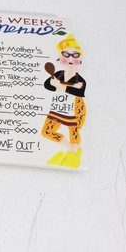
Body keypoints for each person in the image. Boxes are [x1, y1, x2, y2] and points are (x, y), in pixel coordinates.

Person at [41, 34, 86, 168]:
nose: (70, 59)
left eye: (75, 55)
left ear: (81, 61)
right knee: (46, 132)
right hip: (57, 108)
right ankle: (68, 147)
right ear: (59, 59)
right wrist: (53, 82)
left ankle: (74, 156)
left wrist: (60, 86)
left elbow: (78, 91)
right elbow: (47, 85)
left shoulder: (80, 80)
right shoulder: (58, 75)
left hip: (74, 109)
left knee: (74, 134)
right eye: (66, 55)